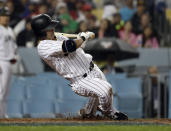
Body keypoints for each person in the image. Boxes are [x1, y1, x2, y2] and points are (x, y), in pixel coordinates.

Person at [31, 14, 128, 120]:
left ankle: (88, 113)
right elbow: (70, 46)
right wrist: (83, 37)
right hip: (81, 80)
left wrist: (81, 39)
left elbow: (78, 45)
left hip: (93, 69)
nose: (53, 29)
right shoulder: (43, 46)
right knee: (106, 90)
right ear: (41, 32)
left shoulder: (56, 36)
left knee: (92, 110)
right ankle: (109, 112)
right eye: (49, 28)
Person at [0, 7, 17, 118]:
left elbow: (14, 46)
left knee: (6, 91)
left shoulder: (10, 30)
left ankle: (2, 114)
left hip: (9, 62)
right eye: (3, 15)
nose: (6, 18)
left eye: (7, 16)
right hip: (1, 60)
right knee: (1, 90)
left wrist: (14, 55)